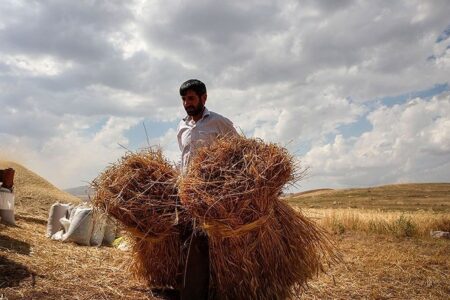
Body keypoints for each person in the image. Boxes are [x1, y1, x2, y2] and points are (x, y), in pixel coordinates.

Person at [176, 79, 238, 300]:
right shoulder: (182, 126)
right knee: (185, 242)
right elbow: (184, 159)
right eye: (184, 99)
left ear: (204, 98)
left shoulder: (219, 123)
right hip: (185, 195)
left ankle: (198, 294)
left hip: (209, 195)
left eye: (191, 98)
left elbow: (239, 152)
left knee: (200, 244)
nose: (187, 103)